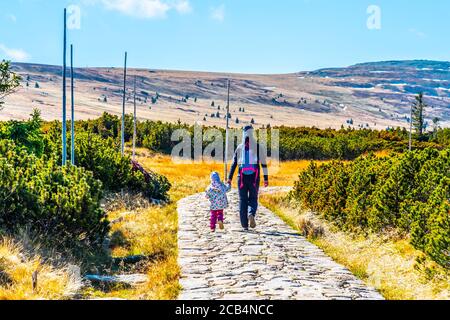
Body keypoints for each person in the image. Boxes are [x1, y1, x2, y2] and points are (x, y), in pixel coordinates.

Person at [228, 125, 269, 231]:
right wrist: (265, 178)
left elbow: (234, 164)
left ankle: (244, 225)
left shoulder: (239, 147)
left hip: (241, 178)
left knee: (243, 200)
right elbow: (263, 163)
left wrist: (229, 178)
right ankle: (251, 213)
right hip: (254, 178)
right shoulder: (258, 147)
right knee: (253, 198)